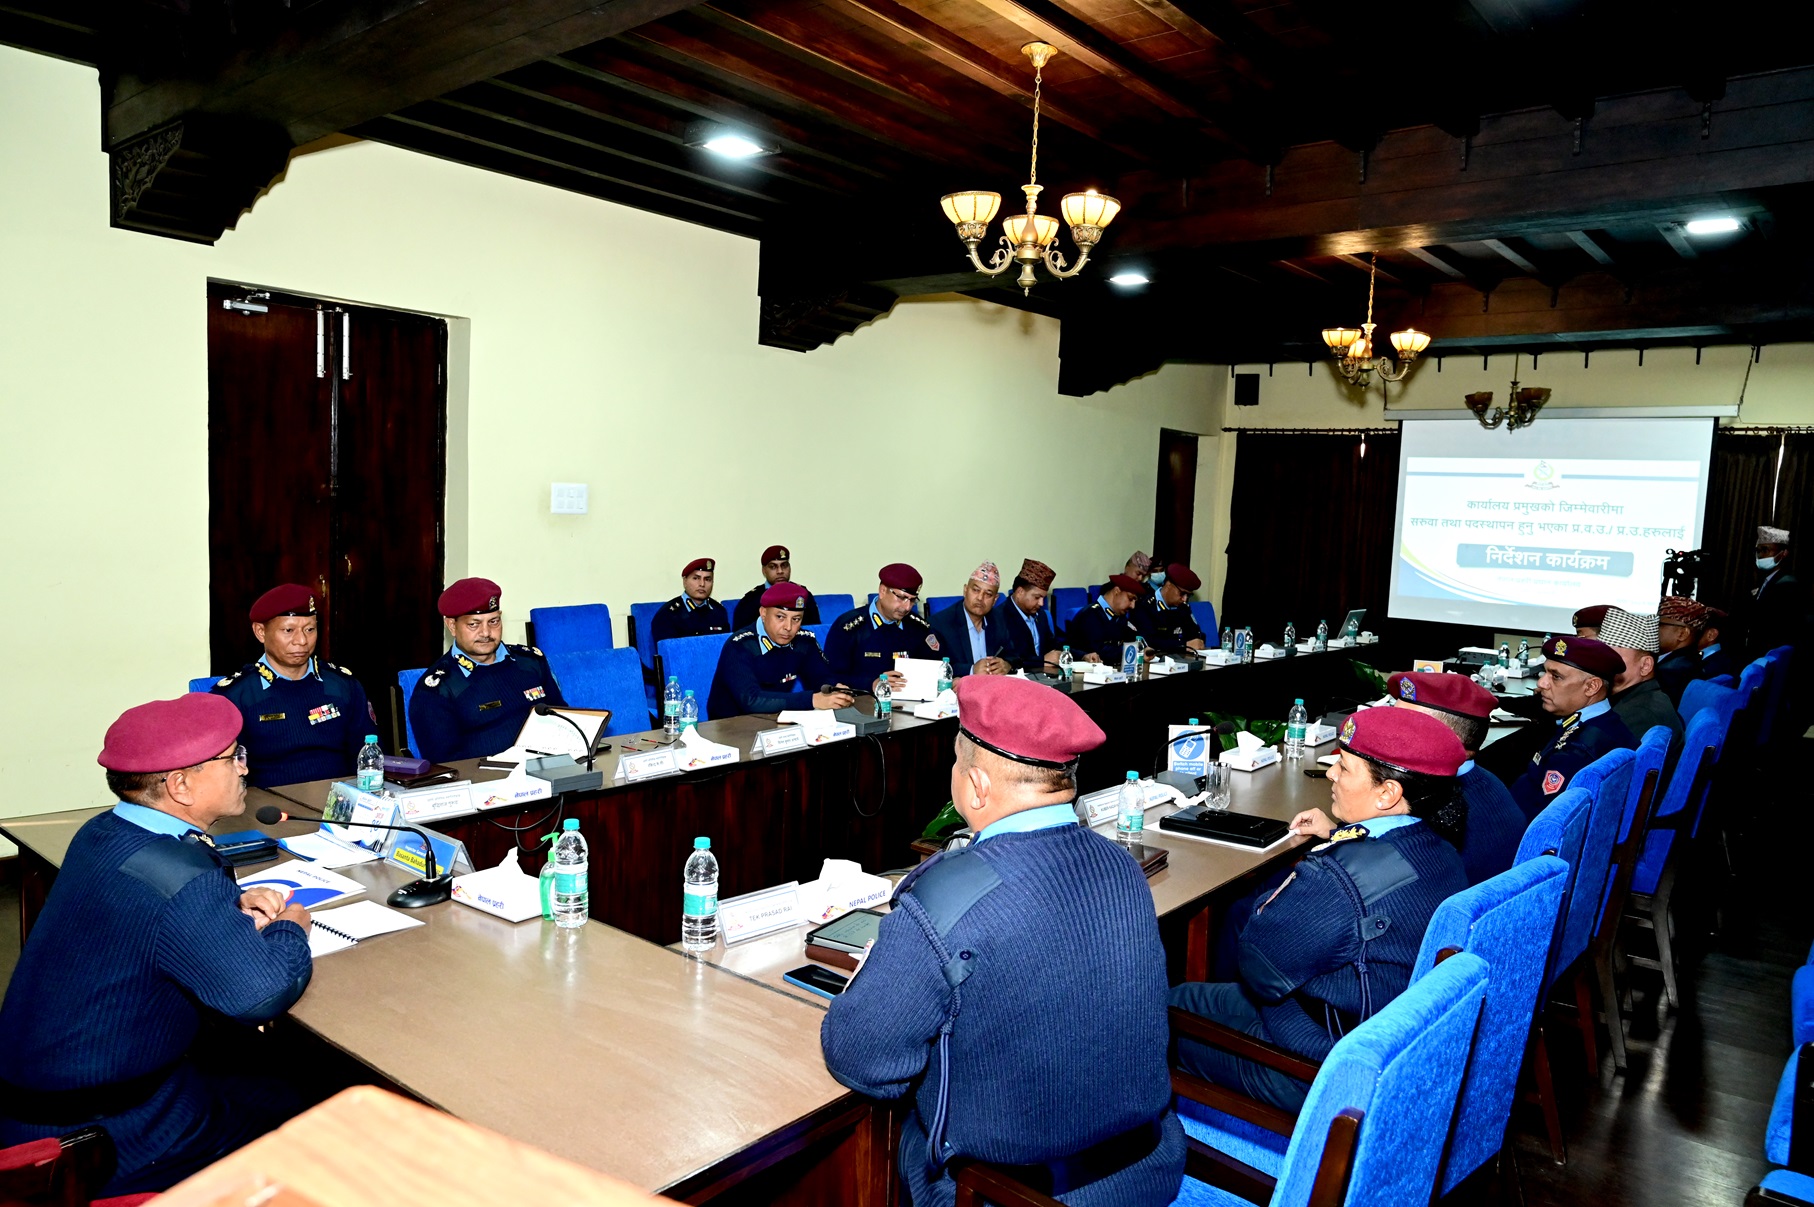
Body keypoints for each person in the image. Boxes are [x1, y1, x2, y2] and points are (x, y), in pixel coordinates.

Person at [821, 675, 1185, 1206]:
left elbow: (863, 1059)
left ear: (976, 785)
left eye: (955, 762)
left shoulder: (946, 900)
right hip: (1146, 1171)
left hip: (1004, 1193)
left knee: (880, 1143)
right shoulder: (1120, 863)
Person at [0, 695, 314, 1195]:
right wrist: (292, 926)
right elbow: (261, 995)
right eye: (232, 757)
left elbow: (148, 909)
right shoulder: (179, 876)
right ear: (179, 785)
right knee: (312, 1103)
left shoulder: (105, 831)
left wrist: (227, 906)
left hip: (41, 1090)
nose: (243, 768)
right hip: (103, 1133)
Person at [1169, 707, 1468, 1110]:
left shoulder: (1337, 878)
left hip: (1316, 1065)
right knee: (1182, 998)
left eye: (1344, 768)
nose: (1331, 775)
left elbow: (1259, 969)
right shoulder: (1440, 848)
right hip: (1374, 1039)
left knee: (1157, 1025)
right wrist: (1341, 836)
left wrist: (1329, 855)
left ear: (1387, 794)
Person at [211, 584, 376, 788]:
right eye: (288, 630)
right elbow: (224, 775)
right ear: (260, 632)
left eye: (310, 630)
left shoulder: (343, 686)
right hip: (267, 803)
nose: (301, 641)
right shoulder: (235, 696)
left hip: (339, 797)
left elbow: (369, 755)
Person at [1387, 671, 1525, 885]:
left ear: (1451, 742)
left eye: (1405, 727)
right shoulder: (1486, 781)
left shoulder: (1433, 806)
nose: (1387, 734)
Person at [408, 577, 565, 762]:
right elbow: (445, 765)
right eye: (474, 624)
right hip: (488, 778)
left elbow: (564, 720)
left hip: (550, 768)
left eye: (494, 621)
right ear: (452, 626)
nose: (486, 633)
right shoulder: (437, 690)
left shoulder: (531, 662)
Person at [1508, 635, 1637, 822]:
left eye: (1556, 677)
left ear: (1591, 687)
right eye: (1544, 672)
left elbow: (1545, 822)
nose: (1541, 683)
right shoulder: (1601, 724)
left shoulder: (1577, 752)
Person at [708, 584, 854, 719]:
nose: (788, 627)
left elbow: (820, 677)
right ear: (763, 613)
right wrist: (812, 700)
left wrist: (833, 690)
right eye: (780, 617)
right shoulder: (740, 645)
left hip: (776, 720)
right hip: (731, 725)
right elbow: (751, 700)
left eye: (796, 619)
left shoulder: (803, 641)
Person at [825, 563, 943, 692]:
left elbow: (938, 667)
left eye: (912, 600)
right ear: (882, 591)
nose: (907, 607)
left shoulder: (918, 627)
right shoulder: (849, 627)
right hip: (863, 699)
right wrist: (872, 684)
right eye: (901, 598)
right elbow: (830, 676)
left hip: (910, 699)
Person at [1598, 608, 1685, 765]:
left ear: (1645, 666)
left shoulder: (1639, 714)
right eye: (1600, 655)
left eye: (1613, 656)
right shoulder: (1639, 698)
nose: (1600, 663)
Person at [927, 561, 1014, 676]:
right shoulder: (940, 624)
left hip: (993, 685)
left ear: (995, 599)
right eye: (976, 590)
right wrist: (971, 670)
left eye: (988, 594)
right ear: (965, 590)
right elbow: (934, 666)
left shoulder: (999, 620)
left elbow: (1014, 655)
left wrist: (1007, 665)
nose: (980, 598)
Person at [731, 545, 821, 629]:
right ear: (764, 571)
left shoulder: (802, 594)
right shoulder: (750, 600)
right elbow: (741, 635)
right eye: (773, 567)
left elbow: (815, 630)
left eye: (784, 565)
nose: (780, 571)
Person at [1749, 525, 1805, 657]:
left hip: (1770, 653)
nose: (1761, 555)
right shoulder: (1764, 581)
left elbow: (1775, 625)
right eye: (1758, 550)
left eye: (1766, 550)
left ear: (1784, 553)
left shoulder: (1787, 585)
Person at [998, 558, 1061, 672]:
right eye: (1037, 597)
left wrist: (1082, 655)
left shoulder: (1040, 615)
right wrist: (1042, 660)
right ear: (1020, 592)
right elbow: (1009, 658)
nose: (1041, 603)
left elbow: (1054, 644)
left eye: (1043, 598)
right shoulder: (999, 617)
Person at [650, 557, 731, 647]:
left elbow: (726, 648)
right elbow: (668, 652)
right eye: (696, 578)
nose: (702, 584)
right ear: (685, 581)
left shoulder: (719, 611)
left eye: (707, 579)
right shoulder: (668, 615)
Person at [1065, 573, 1145, 662]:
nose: (1132, 606)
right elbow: (1099, 652)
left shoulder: (1120, 617)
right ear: (1117, 591)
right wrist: (1133, 652)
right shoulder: (1090, 615)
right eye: (1130, 599)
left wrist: (1143, 650)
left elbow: (1134, 639)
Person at [1133, 563, 1207, 654]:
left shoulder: (1183, 608)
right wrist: (1183, 645)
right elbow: (1149, 641)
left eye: (1188, 595)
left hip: (1181, 658)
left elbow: (1195, 634)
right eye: (1182, 593)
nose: (1184, 599)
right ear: (1168, 586)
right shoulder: (1145, 606)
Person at [1655, 595, 1712, 703]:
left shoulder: (1670, 672)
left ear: (1682, 634)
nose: (1653, 628)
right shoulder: (1689, 662)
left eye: (1660, 624)